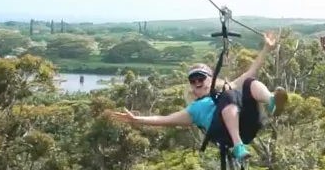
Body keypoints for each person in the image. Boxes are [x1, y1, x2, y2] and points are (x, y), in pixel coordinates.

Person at [108, 31, 287, 161]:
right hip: (224, 133)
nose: (197, 82)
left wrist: (266, 48)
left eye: (201, 78)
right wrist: (136, 120)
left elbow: (251, 71)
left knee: (248, 82)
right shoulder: (194, 109)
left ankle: (271, 102)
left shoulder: (226, 88)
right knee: (228, 96)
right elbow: (164, 120)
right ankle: (238, 146)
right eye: (193, 80)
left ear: (211, 79)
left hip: (248, 124)